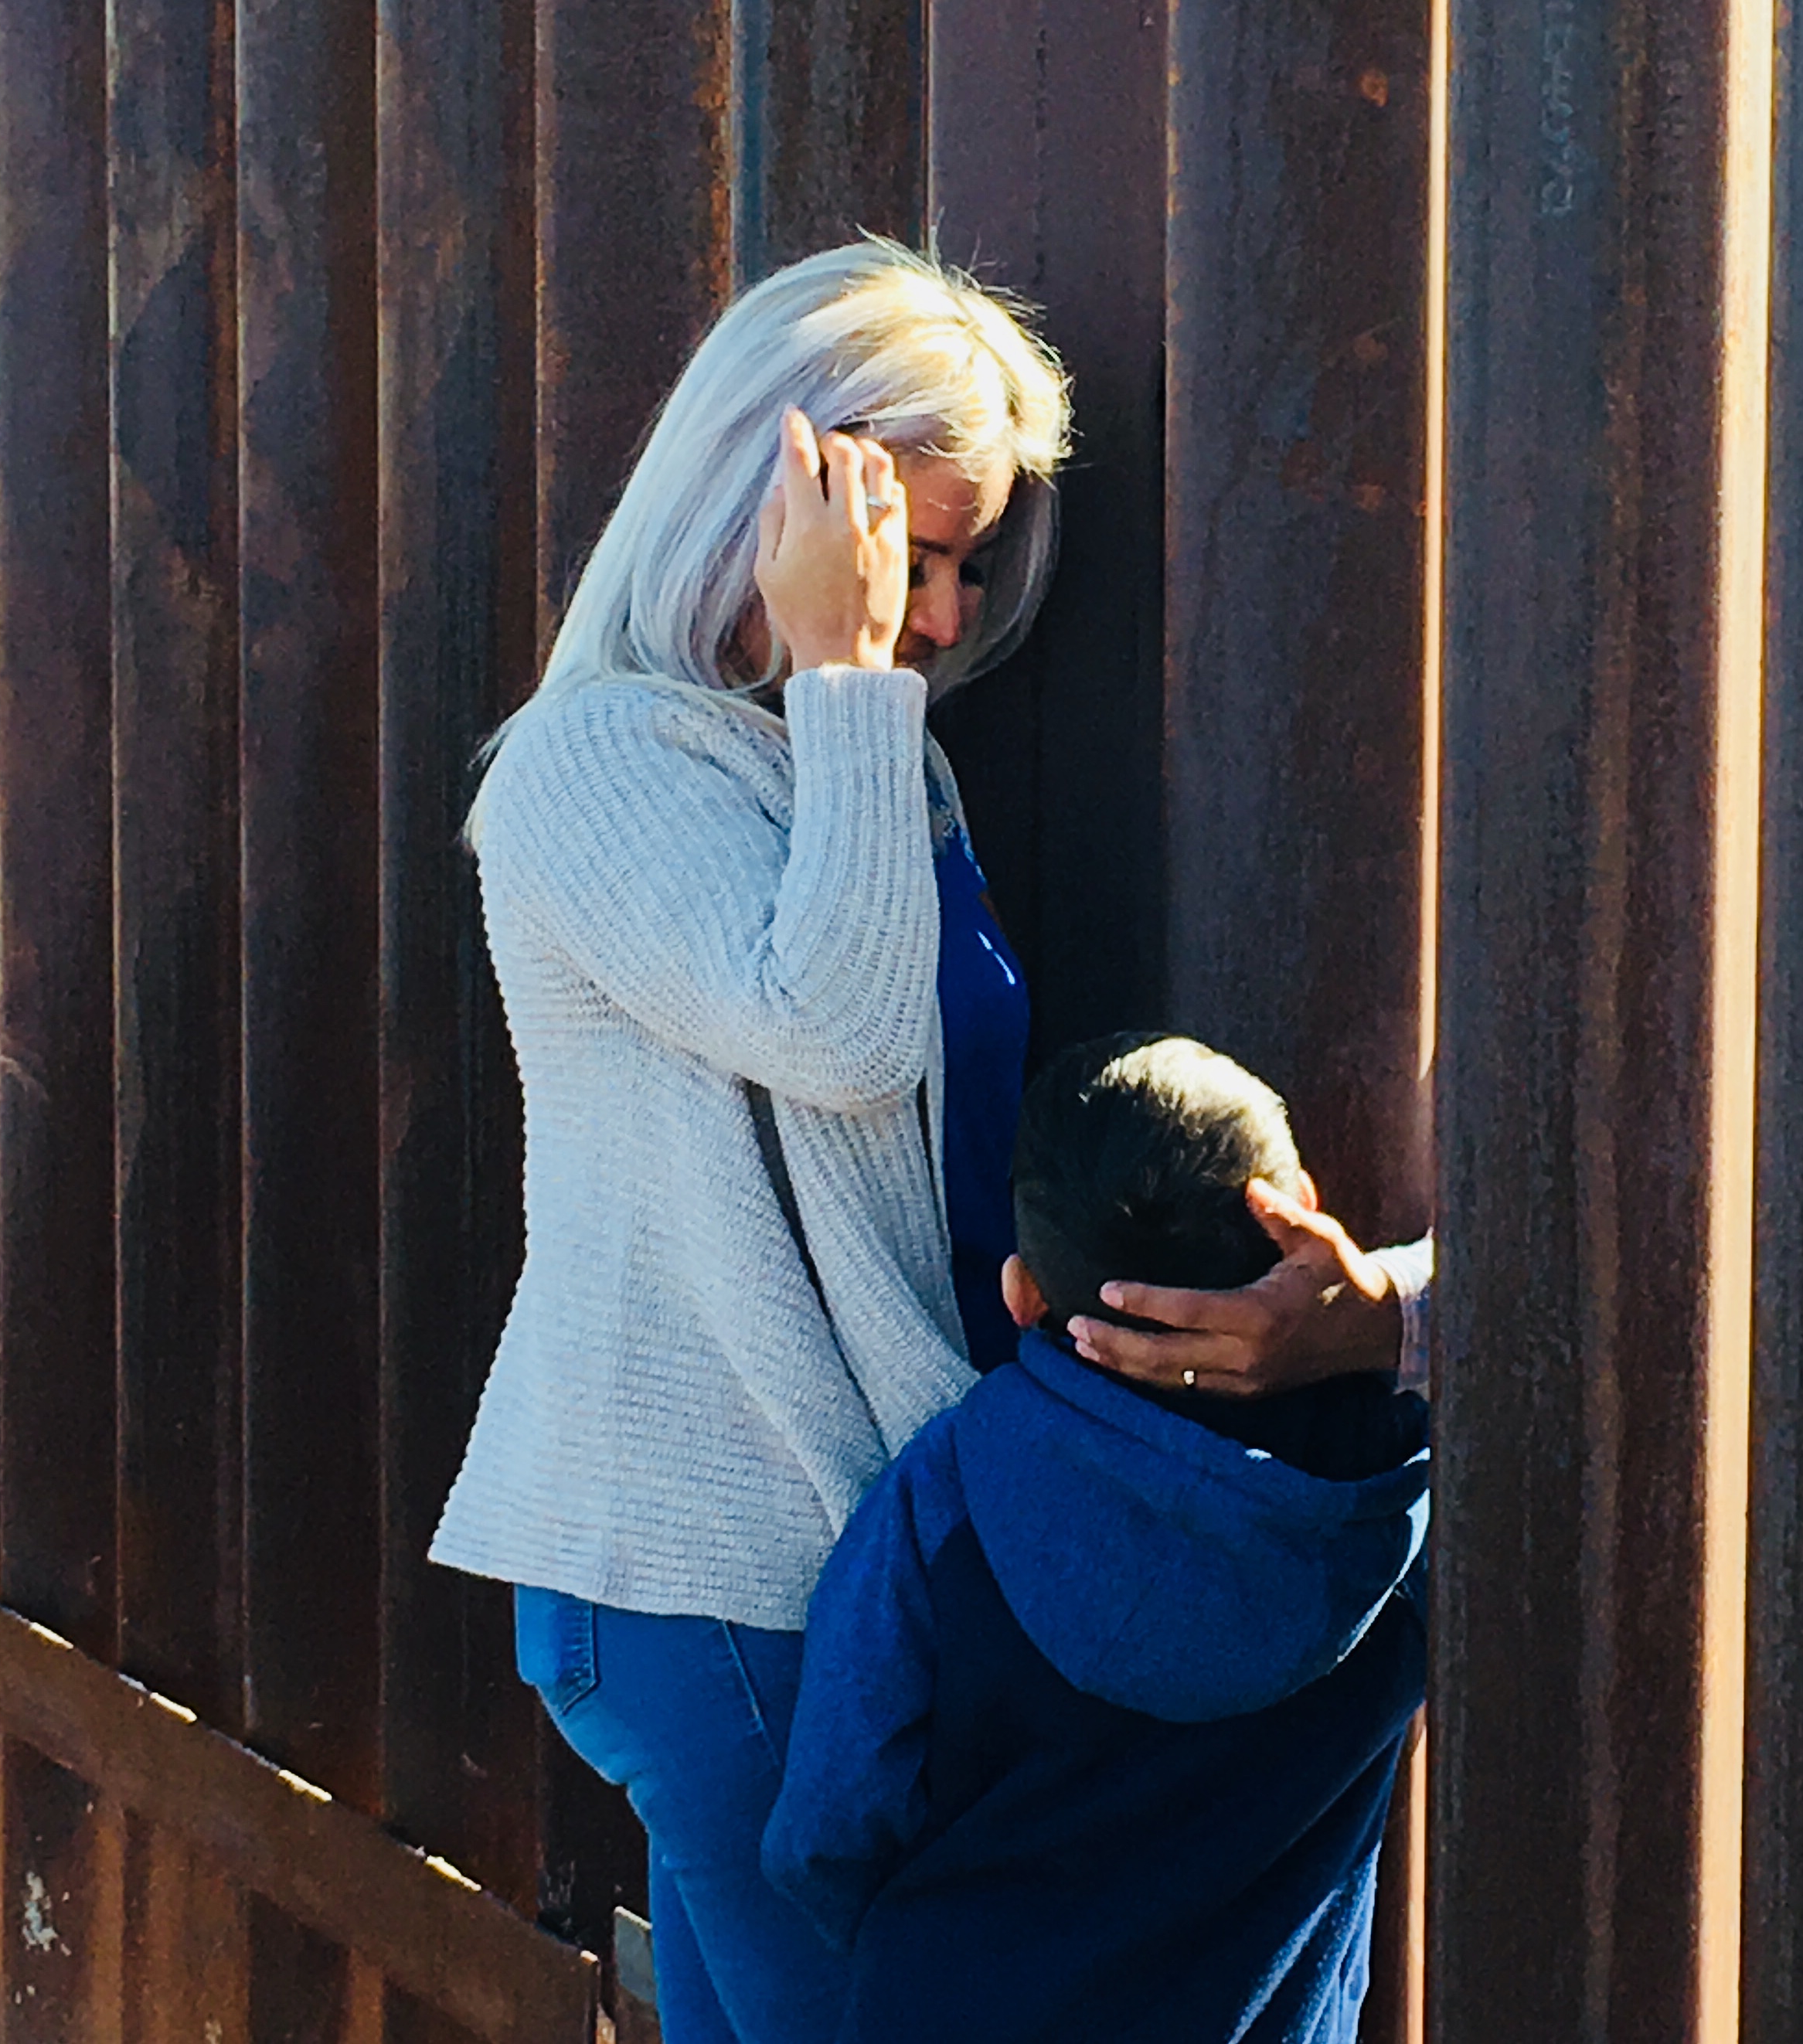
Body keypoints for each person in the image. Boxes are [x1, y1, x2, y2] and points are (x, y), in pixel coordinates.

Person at [424, 239, 1427, 2044]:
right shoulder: (601, 765)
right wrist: (847, 677)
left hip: (837, 1548)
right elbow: (841, 1034)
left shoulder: (866, 759)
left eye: (965, 568)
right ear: (776, 486)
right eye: (924, 554)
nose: (947, 620)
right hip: (722, 1570)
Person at [762, 1034, 1430, 2044]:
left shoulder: (947, 1493)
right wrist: (1388, 1311)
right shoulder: (1393, 1498)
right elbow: (1528, 1285)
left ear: (1022, 1293)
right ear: (1302, 1215)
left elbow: (829, 1819)